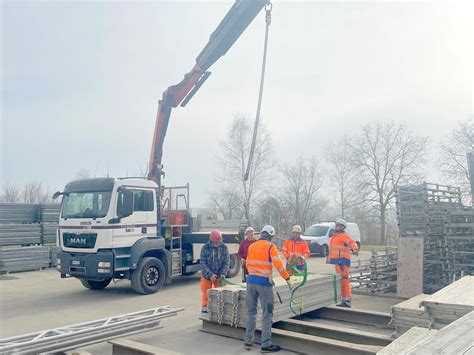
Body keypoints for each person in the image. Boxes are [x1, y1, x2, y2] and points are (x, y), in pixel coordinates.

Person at [244, 225, 291, 353]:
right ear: (271, 235)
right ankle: (265, 345)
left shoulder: (252, 246)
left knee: (251, 312)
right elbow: (278, 265)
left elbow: (247, 264)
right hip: (264, 284)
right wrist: (287, 278)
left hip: (250, 282)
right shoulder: (271, 246)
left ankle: (248, 340)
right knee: (267, 313)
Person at [328, 219, 359, 308]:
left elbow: (352, 242)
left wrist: (355, 249)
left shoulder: (344, 236)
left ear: (342, 227)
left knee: (344, 280)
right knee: (341, 280)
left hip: (342, 262)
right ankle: (344, 299)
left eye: (338, 225)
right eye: (336, 225)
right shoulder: (335, 236)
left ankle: (346, 301)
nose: (336, 226)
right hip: (338, 262)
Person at [200, 229, 230, 316]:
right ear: (211, 240)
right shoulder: (205, 248)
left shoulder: (224, 247)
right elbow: (203, 263)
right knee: (206, 295)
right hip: (207, 276)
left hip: (220, 276)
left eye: (219, 242)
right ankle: (205, 314)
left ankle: (221, 314)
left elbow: (226, 262)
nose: (217, 244)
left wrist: (223, 273)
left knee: (222, 294)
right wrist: (210, 275)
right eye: (215, 242)